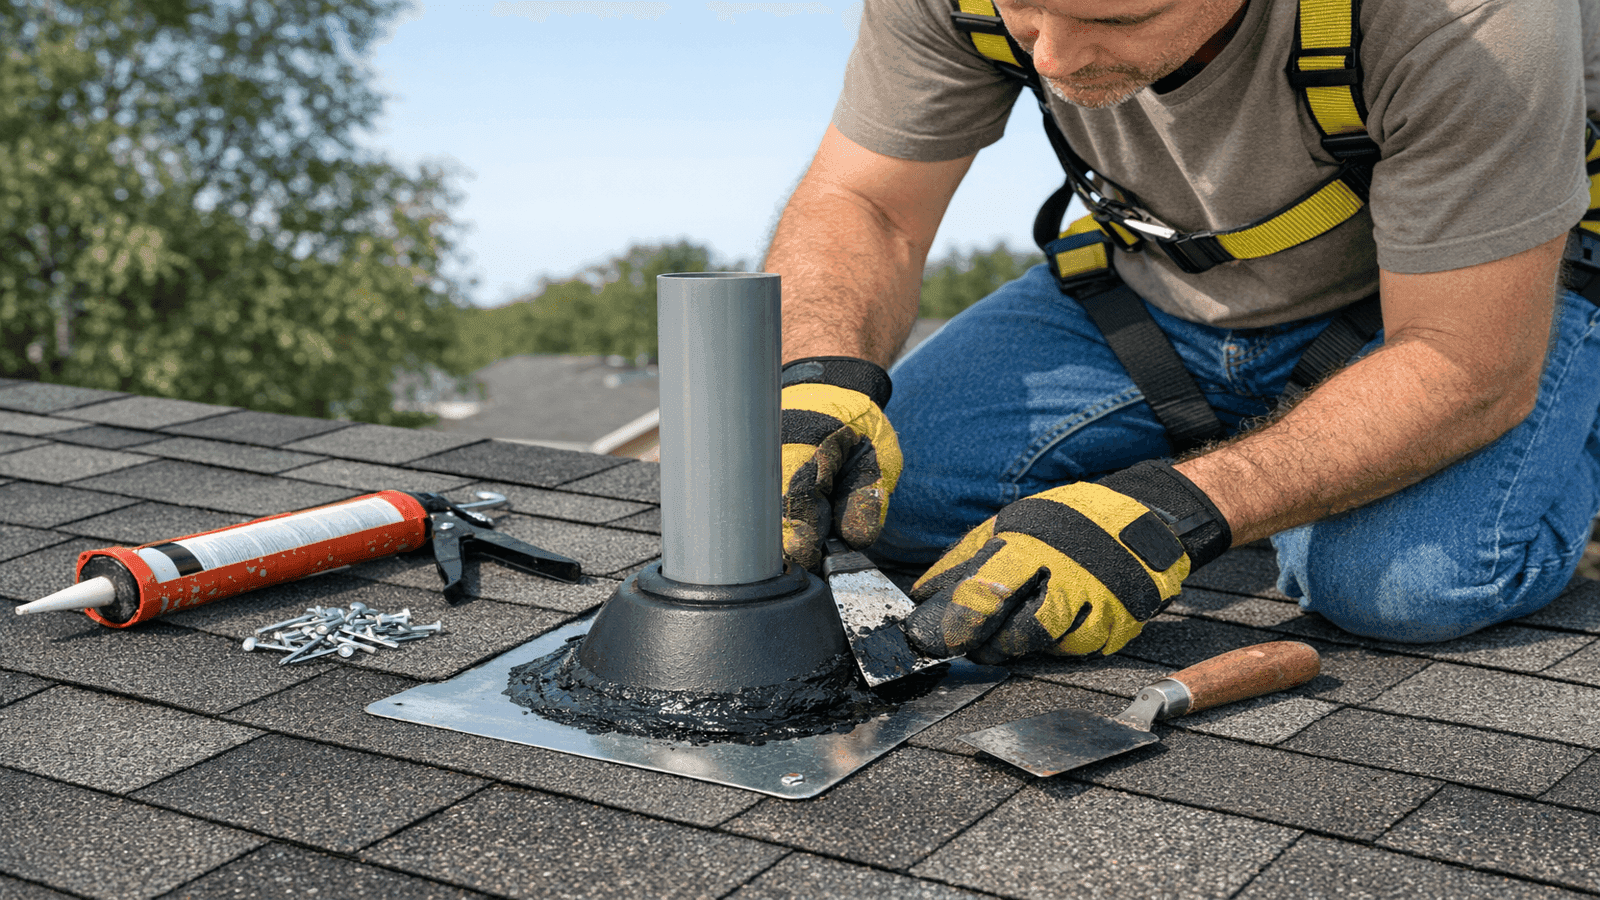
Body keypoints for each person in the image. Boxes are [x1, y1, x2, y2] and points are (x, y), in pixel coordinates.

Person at [769, 0, 1600, 665]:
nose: (1050, 58)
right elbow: (867, 204)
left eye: (1118, 20)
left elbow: (1462, 358)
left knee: (1404, 586)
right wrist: (814, 376)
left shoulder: (1471, 17)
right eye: (1021, 8)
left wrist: (1170, 510)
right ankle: (1278, 436)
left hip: (1453, 307)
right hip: (1152, 300)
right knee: (877, 492)